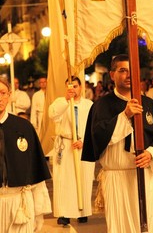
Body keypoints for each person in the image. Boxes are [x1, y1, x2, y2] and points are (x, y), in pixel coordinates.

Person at [82, 54, 153, 233]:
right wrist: (124, 116)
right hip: (117, 179)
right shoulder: (102, 105)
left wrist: (151, 154)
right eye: (122, 71)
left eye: (131, 71)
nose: (128, 75)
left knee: (149, 226)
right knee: (120, 228)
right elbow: (97, 138)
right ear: (112, 74)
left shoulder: (148, 104)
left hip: (145, 176)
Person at [0, 78, 51, 233]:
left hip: (20, 203)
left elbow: (35, 169)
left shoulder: (24, 127)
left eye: (2, 93)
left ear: (9, 95)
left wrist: (39, 210)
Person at [48, 76, 95, 226]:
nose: (72, 89)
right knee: (64, 180)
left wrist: (84, 141)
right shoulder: (60, 103)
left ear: (81, 87)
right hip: (65, 144)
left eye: (75, 86)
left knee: (83, 178)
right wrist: (66, 100)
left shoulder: (89, 105)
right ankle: (65, 213)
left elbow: (94, 126)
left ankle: (82, 211)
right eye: (69, 87)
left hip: (83, 145)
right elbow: (53, 114)